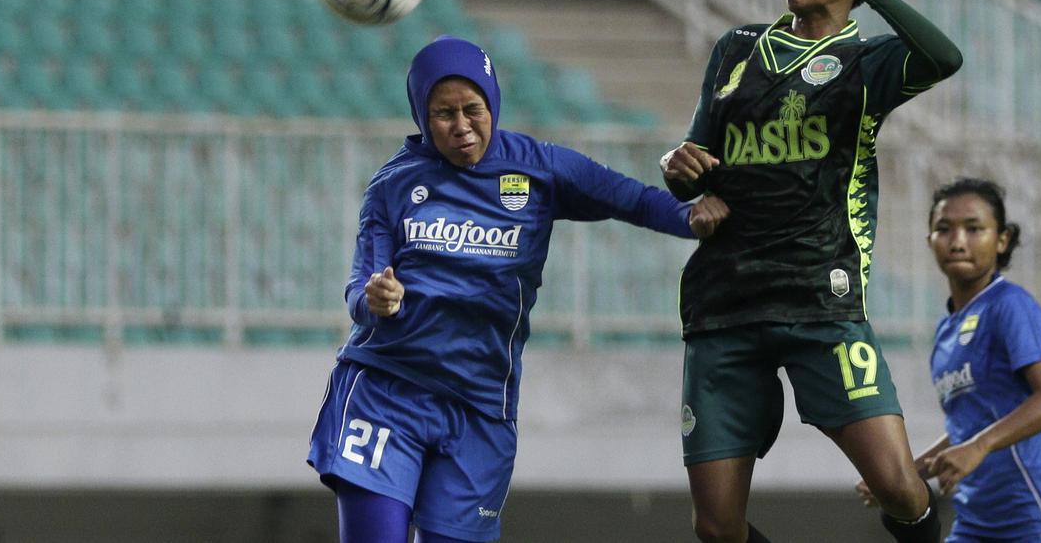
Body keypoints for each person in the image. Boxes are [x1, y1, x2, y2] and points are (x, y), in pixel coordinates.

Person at [307, 34, 730, 543]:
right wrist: (376, 299)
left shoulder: (539, 167)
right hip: (387, 391)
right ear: (421, 115)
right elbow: (360, 288)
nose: (462, 127)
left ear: (492, 102)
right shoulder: (393, 186)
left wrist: (691, 217)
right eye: (443, 114)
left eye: (473, 109)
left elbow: (631, 199)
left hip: (481, 407)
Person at [660, 0, 964, 543]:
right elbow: (698, 161)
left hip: (819, 301)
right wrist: (678, 173)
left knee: (895, 486)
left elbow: (943, 56)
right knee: (715, 527)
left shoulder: (866, 63)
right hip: (725, 302)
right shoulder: (737, 49)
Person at [857, 177, 1041, 542]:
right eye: (944, 229)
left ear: (1002, 239)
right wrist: (907, 473)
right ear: (929, 240)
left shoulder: (1010, 305)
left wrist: (980, 446)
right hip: (979, 522)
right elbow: (968, 427)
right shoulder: (945, 330)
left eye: (974, 229)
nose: (957, 241)